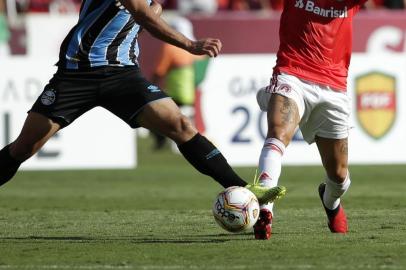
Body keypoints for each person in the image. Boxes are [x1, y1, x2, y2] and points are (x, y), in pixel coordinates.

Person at [0, 0, 286, 210]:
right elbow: (141, 13)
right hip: (78, 73)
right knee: (24, 147)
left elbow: (150, 10)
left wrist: (153, 10)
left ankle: (244, 189)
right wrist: (189, 44)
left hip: (123, 73)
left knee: (181, 125)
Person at [254, 0, 367, 239]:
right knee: (278, 134)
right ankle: (264, 209)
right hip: (293, 74)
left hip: (333, 88)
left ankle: (331, 202)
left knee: (338, 175)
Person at [150, 16, 201, 150]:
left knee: (152, 114)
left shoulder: (170, 48)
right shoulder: (198, 52)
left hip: (176, 94)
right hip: (194, 96)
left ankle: (160, 141)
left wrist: (151, 88)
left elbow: (159, 71)